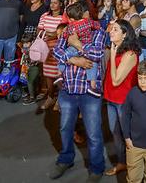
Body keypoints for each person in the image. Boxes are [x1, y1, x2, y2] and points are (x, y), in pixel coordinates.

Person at [49, 13, 106, 181]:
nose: (72, 21)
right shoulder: (67, 31)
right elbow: (57, 52)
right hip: (68, 88)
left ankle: (96, 168)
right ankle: (66, 159)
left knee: (93, 132)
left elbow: (97, 54)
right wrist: (76, 60)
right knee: (65, 128)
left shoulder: (98, 31)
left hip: (89, 91)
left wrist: (77, 44)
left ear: (85, 15)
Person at [103, 19, 140, 176]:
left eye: (116, 29)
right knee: (115, 132)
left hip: (123, 101)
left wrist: (111, 54)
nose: (111, 31)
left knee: (127, 135)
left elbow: (117, 80)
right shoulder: (116, 48)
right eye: (112, 29)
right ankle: (122, 162)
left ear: (125, 34)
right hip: (111, 98)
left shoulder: (130, 53)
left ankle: (135, 166)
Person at [55, 3, 101, 97]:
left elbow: (99, 54)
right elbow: (56, 51)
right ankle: (92, 86)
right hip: (87, 46)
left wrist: (74, 42)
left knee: (64, 56)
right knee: (93, 64)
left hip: (72, 48)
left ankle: (59, 74)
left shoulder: (70, 26)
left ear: (71, 18)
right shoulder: (88, 22)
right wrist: (75, 60)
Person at [37, 0, 64, 111]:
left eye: (55, 3)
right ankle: (50, 97)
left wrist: (51, 34)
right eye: (51, 3)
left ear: (61, 5)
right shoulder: (45, 16)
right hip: (46, 49)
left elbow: (62, 33)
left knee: (59, 75)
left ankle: (60, 99)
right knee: (48, 74)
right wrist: (49, 34)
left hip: (58, 50)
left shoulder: (63, 17)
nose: (52, 5)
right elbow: (39, 30)